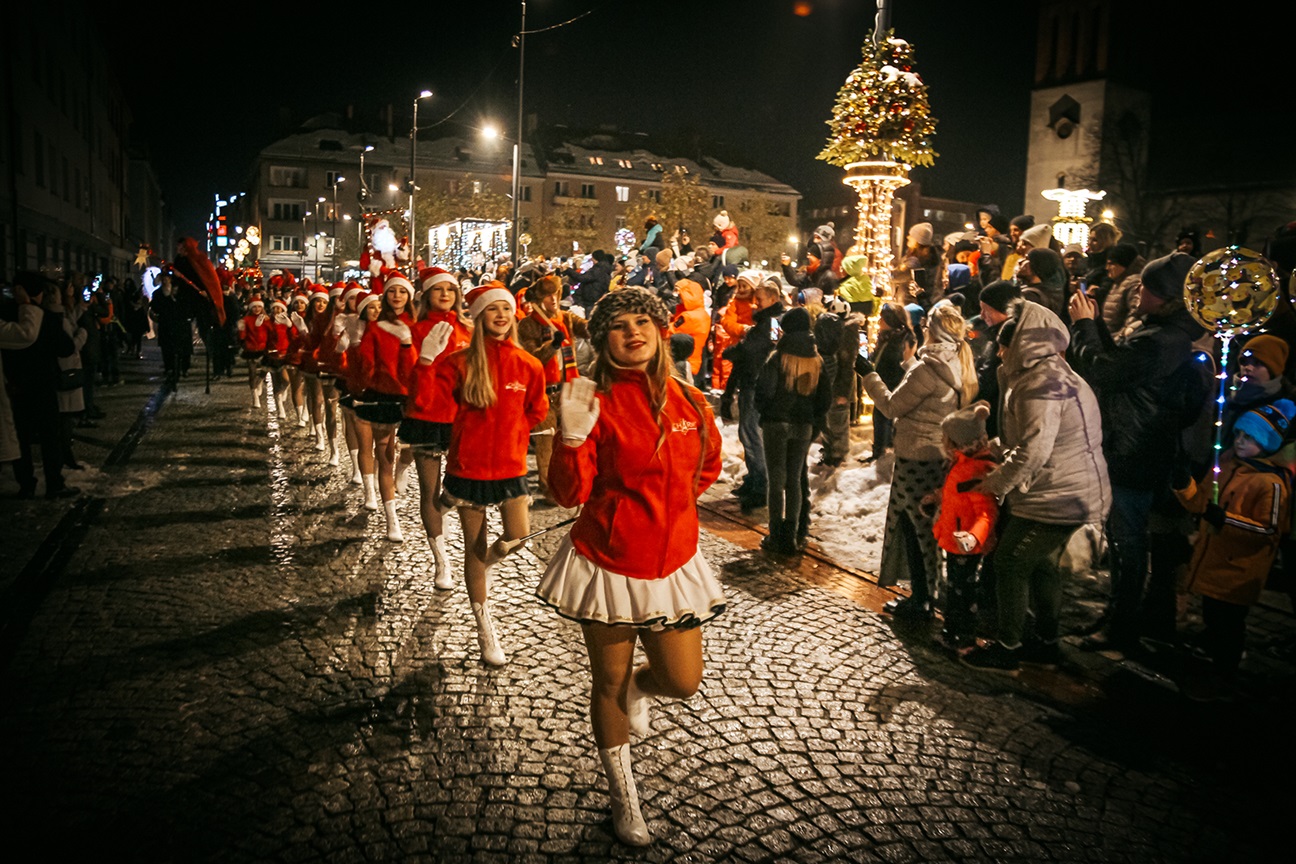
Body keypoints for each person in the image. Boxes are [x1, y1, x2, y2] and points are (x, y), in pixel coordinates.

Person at [536, 287, 724, 847]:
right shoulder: (590, 400)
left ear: (661, 331)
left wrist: (675, 514)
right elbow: (569, 494)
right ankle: (624, 798)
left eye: (644, 321)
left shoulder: (690, 401)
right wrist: (569, 439)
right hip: (609, 563)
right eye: (620, 325)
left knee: (682, 681)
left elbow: (707, 467)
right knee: (609, 681)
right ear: (601, 337)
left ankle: (644, 694)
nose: (634, 332)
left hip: (674, 564)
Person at [961, 301, 1111, 675]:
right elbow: (1027, 439)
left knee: (1010, 561)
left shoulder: (1042, 385)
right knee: (1040, 562)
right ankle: (1045, 642)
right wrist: (992, 449)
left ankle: (1009, 648)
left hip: (1060, 493)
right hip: (1062, 489)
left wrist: (992, 485)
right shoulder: (1044, 376)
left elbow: (1035, 449)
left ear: (1024, 344)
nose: (998, 351)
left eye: (1003, 344)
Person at [1068, 251, 1204, 653]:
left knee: (1128, 545)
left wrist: (1084, 327)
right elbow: (1119, 363)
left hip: (1135, 449)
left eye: (1146, 287)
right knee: (1126, 541)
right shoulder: (1158, 331)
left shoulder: (1163, 340)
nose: (1137, 292)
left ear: (1165, 297)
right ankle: (1118, 618)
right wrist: (1094, 326)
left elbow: (1106, 370)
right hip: (1135, 445)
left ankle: (1121, 626)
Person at [433, 281, 548, 666]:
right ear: (479, 316)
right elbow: (430, 403)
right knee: (473, 548)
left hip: (511, 467)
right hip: (470, 468)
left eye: (505, 308)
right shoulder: (459, 361)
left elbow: (536, 409)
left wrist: (516, 433)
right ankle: (485, 628)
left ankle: (485, 565)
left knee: (518, 536)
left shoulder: (529, 364)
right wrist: (425, 363)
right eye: (492, 309)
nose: (500, 315)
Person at [858, 302, 977, 618]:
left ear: (933, 332)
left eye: (927, 327)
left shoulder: (928, 369)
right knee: (928, 526)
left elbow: (892, 405)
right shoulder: (959, 362)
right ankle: (926, 594)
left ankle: (921, 598)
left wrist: (868, 374)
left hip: (916, 456)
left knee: (913, 526)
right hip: (939, 455)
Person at [1172, 401, 1293, 700]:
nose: (1240, 441)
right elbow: (1201, 503)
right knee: (1214, 620)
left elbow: (1268, 531)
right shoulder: (1225, 465)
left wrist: (1225, 520)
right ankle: (1215, 667)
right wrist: (1184, 485)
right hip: (1213, 564)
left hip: (1237, 571)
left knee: (1229, 627)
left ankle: (1224, 677)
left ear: (1267, 443)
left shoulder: (1271, 483)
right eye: (1239, 435)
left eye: (1249, 438)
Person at [754, 307, 831, 553]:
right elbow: (824, 398)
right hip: (803, 425)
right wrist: (813, 419)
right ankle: (793, 534)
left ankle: (776, 534)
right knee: (795, 480)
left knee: (776, 480)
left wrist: (765, 413)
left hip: (776, 423)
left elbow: (764, 392)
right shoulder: (816, 360)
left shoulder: (778, 357)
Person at [353, 276, 418, 542]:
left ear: (410, 296)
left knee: (412, 449)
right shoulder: (376, 328)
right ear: (386, 296)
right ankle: (392, 519)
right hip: (384, 396)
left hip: (413, 396)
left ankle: (404, 469)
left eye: (403, 291)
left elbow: (418, 368)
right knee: (385, 456)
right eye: (393, 291)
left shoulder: (417, 326)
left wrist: (408, 345)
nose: (398, 296)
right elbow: (367, 364)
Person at [3, 272, 78, 498]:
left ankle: (26, 483)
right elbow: (66, 347)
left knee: (21, 437)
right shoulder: (45, 317)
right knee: (49, 436)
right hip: (43, 384)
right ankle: (54, 483)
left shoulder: (7, 314)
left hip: (16, 385)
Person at [931, 402, 999, 650]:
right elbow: (957, 495)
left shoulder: (975, 470)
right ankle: (952, 631)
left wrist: (975, 537)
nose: (942, 441)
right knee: (956, 588)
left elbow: (986, 511)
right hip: (956, 538)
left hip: (965, 543)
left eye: (945, 438)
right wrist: (938, 497)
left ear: (959, 442)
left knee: (963, 591)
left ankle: (962, 635)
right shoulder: (961, 464)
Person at [517, 274, 589, 502]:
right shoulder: (528, 324)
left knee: (568, 441)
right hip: (544, 392)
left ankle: (568, 484)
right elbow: (533, 358)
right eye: (547, 296)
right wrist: (553, 345)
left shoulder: (567, 319)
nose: (553, 300)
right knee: (545, 444)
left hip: (568, 388)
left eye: (555, 294)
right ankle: (547, 488)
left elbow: (588, 329)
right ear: (538, 300)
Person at [720, 279, 784, 512]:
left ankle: (761, 485)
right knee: (747, 432)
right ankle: (754, 478)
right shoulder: (767, 322)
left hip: (757, 383)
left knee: (752, 433)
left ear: (773, 300)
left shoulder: (771, 323)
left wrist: (731, 351)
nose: (756, 304)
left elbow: (752, 349)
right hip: (754, 381)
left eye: (760, 300)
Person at [863, 303, 916, 462]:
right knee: (879, 418)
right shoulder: (887, 337)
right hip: (884, 382)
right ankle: (880, 452)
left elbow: (901, 363)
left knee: (884, 418)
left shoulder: (903, 339)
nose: (879, 321)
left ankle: (883, 453)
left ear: (891, 320)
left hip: (893, 385)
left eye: (883, 318)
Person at [238, 296, 270, 408]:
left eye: (259, 307)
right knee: (252, 373)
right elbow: (242, 335)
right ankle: (254, 396)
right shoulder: (246, 320)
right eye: (254, 307)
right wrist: (240, 329)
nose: (257, 309)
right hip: (251, 348)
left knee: (266, 370)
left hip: (264, 349)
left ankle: (259, 381)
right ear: (251, 308)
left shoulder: (266, 319)